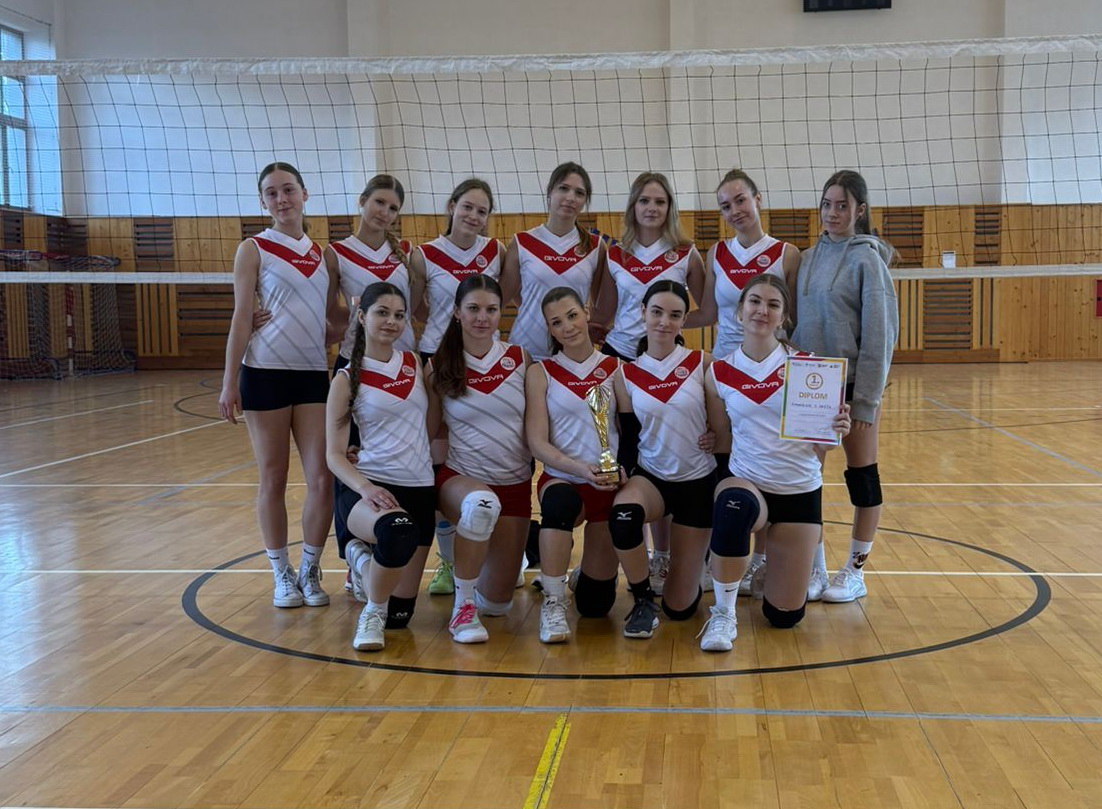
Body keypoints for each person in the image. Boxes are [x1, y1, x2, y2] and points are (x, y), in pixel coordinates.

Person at [702, 273, 851, 652]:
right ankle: (723, 614)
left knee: (784, 616)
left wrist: (836, 429)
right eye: (754, 301)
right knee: (733, 506)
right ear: (739, 312)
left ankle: (769, 569)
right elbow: (722, 440)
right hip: (748, 483)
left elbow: (822, 446)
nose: (762, 311)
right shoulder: (719, 372)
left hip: (798, 490)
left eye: (773, 305)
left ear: (783, 317)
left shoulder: (810, 368)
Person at [218, 162, 339, 609]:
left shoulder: (323, 254)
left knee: (322, 477)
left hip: (312, 374)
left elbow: (331, 319)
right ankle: (280, 572)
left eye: (288, 190)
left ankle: (310, 567)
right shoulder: (253, 249)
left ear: (305, 194)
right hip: (264, 372)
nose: (282, 199)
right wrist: (229, 383)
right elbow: (240, 318)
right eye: (272, 193)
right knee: (273, 476)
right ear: (263, 201)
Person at [590, 171, 707, 596]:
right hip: (622, 360)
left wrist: (665, 325)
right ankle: (632, 556)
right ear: (633, 206)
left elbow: (708, 310)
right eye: (644, 200)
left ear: (669, 207)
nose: (652, 208)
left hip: (665, 361)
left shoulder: (685, 252)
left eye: (660, 201)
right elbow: (603, 313)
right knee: (630, 458)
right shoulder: (615, 253)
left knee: (667, 451)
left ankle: (668, 554)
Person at [693, 168, 802, 598]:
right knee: (724, 458)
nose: (735, 210)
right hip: (726, 371)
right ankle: (721, 556)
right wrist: (646, 326)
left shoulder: (786, 253)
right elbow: (706, 313)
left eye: (741, 200)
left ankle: (765, 558)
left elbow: (794, 320)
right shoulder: (716, 253)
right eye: (725, 205)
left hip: (772, 372)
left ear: (758, 199)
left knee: (771, 459)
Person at [791, 169, 899, 603]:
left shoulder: (868, 261)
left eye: (842, 205)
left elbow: (880, 337)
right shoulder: (807, 258)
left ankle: (855, 570)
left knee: (862, 476)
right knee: (805, 479)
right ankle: (814, 568)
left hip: (852, 385)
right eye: (827, 204)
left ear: (860, 210)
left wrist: (866, 400)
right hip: (810, 387)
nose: (832, 213)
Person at [325, 282, 437, 651]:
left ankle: (362, 563)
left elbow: (433, 421)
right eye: (382, 313)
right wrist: (366, 488)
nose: (391, 321)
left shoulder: (415, 363)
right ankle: (370, 611)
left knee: (400, 617)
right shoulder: (345, 379)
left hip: (420, 487)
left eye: (399, 315)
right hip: (371, 487)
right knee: (397, 533)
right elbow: (334, 454)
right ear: (362, 316)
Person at [426, 274, 533, 643]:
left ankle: (484, 573)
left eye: (491, 309)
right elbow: (427, 432)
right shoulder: (438, 365)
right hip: (462, 478)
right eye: (473, 308)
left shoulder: (520, 359)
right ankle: (462, 608)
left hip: (515, 484)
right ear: (457, 312)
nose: (482, 318)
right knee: (481, 505)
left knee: (498, 605)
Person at [410, 178, 504, 596]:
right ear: (451, 206)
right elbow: (415, 307)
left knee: (481, 453)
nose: (473, 216)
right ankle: (448, 562)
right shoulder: (424, 254)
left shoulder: (496, 251)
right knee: (439, 457)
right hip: (437, 357)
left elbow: (502, 298)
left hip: (482, 359)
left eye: (482, 211)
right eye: (467, 207)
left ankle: (492, 551)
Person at [610, 280, 717, 639]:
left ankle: (695, 564)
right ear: (642, 312)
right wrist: (618, 470)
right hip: (652, 478)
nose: (664, 322)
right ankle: (642, 601)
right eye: (656, 312)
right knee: (623, 516)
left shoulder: (702, 363)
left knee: (680, 609)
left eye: (674, 315)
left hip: (697, 482)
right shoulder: (625, 374)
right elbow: (628, 438)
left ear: (684, 320)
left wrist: (716, 436)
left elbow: (724, 425)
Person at [525, 287, 622, 644]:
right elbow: (537, 442)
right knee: (559, 505)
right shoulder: (541, 372)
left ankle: (585, 575)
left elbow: (632, 430)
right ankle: (553, 600)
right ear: (549, 329)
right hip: (563, 479)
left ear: (586, 312)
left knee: (596, 607)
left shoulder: (616, 369)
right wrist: (579, 469)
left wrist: (620, 471)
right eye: (556, 322)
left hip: (608, 485)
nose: (567, 327)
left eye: (572, 316)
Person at [501, 161, 605, 361]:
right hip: (526, 352)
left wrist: (587, 327)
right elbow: (502, 297)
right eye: (563, 188)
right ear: (549, 192)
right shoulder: (522, 242)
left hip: (573, 355)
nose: (570, 198)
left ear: (585, 201)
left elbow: (600, 306)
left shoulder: (595, 246)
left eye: (579, 193)